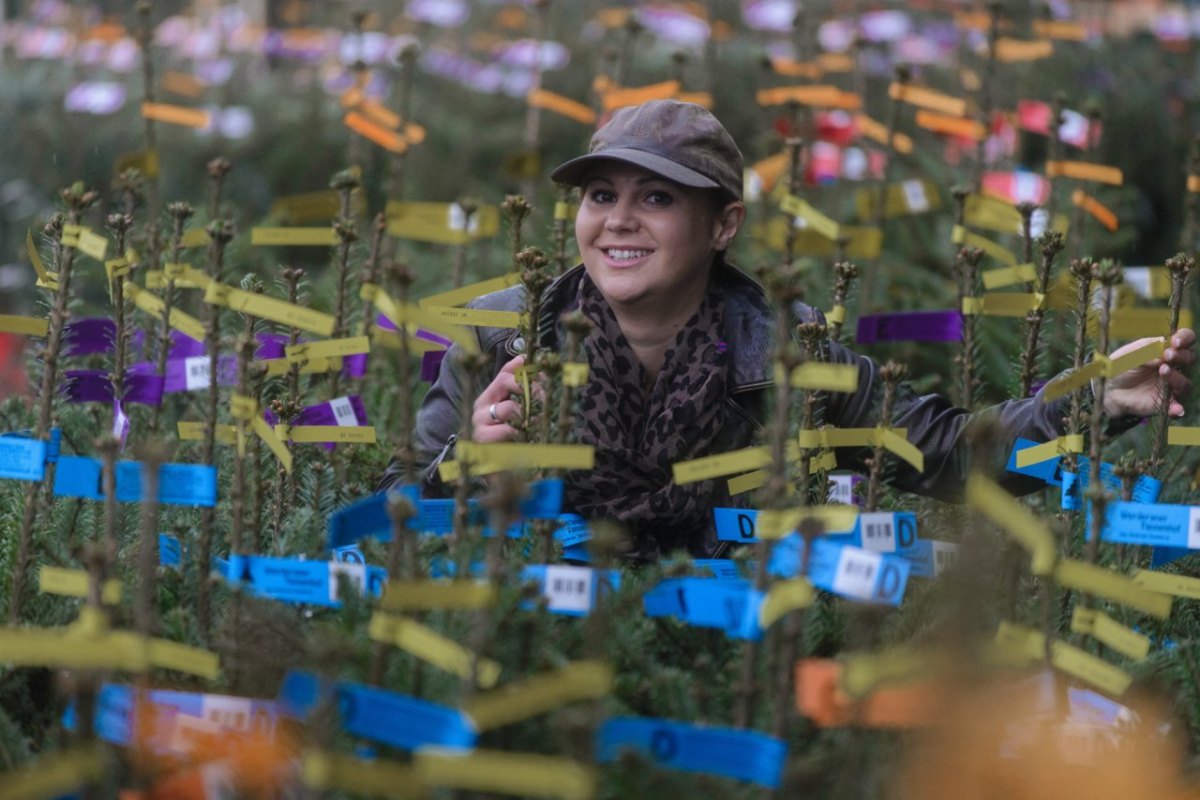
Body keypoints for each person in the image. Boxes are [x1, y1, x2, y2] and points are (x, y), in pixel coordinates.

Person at [381, 99, 1195, 561]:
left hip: (728, 648)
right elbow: (388, 517)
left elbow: (951, 455)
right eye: (601, 195)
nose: (619, 221)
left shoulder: (787, 354)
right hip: (543, 637)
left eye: (657, 198)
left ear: (724, 223)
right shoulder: (501, 340)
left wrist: (1093, 403)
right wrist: (468, 461)